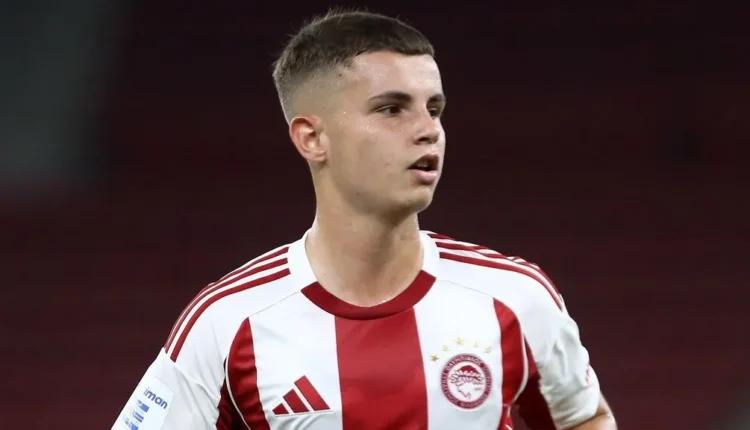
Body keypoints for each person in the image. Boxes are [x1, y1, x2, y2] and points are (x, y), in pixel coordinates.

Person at [112, 9, 617, 430]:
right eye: (392, 109)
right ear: (312, 138)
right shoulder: (227, 322)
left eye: (434, 108)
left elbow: (583, 418)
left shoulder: (514, 296)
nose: (428, 130)